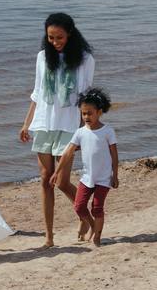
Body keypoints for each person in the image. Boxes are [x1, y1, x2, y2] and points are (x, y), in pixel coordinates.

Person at [19, 13, 95, 247]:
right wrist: (26, 123)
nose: (55, 42)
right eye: (50, 37)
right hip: (44, 123)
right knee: (44, 180)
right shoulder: (42, 57)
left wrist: (85, 129)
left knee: (61, 181)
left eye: (59, 37)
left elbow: (86, 97)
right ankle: (49, 237)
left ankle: (86, 216)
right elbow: (37, 93)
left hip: (69, 124)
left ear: (70, 33)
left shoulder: (85, 59)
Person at [50, 88, 118, 247]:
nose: (86, 117)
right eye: (83, 113)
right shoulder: (80, 132)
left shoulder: (107, 131)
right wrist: (57, 172)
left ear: (99, 112)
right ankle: (92, 225)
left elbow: (114, 155)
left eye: (89, 113)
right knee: (79, 206)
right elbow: (67, 153)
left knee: (97, 207)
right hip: (87, 177)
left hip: (103, 178)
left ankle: (97, 238)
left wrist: (115, 175)